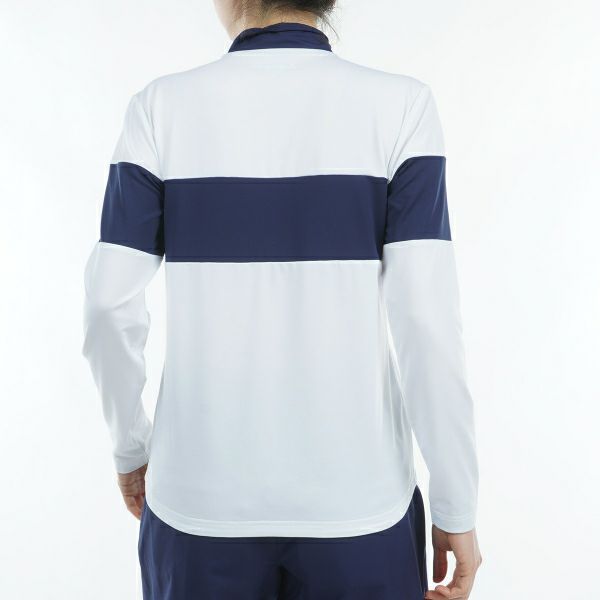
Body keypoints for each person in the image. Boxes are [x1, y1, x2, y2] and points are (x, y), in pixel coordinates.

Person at [82, 0, 482, 598]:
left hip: (197, 504)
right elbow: (426, 321)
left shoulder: (159, 108)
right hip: (359, 504)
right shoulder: (402, 106)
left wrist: (130, 447)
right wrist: (456, 501)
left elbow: (106, 305)